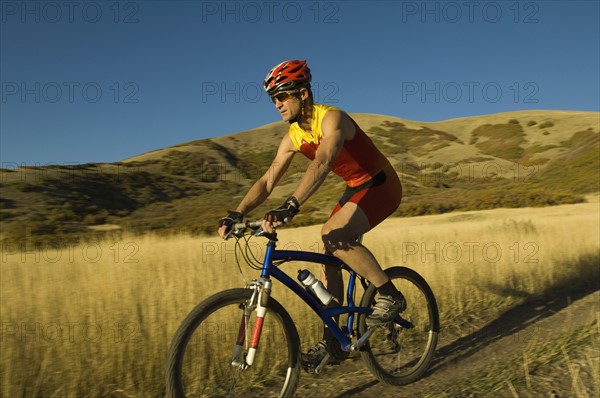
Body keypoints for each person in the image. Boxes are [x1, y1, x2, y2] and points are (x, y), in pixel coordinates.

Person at [218, 59, 405, 371]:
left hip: (381, 185)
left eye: (281, 96)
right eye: (272, 98)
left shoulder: (332, 119)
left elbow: (322, 161)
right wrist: (236, 213)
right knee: (328, 260)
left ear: (302, 93)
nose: (276, 104)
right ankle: (335, 340)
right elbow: (267, 181)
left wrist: (291, 204)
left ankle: (390, 295)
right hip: (355, 188)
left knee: (333, 234)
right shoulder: (293, 136)